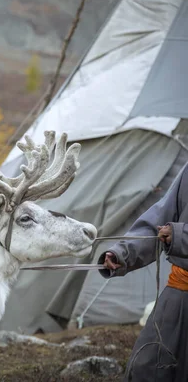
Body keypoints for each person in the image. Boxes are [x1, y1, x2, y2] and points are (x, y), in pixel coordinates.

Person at [100, 161, 188, 381]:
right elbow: (159, 217)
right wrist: (124, 253)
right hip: (180, 293)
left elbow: (177, 233)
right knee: (148, 367)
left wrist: (181, 236)